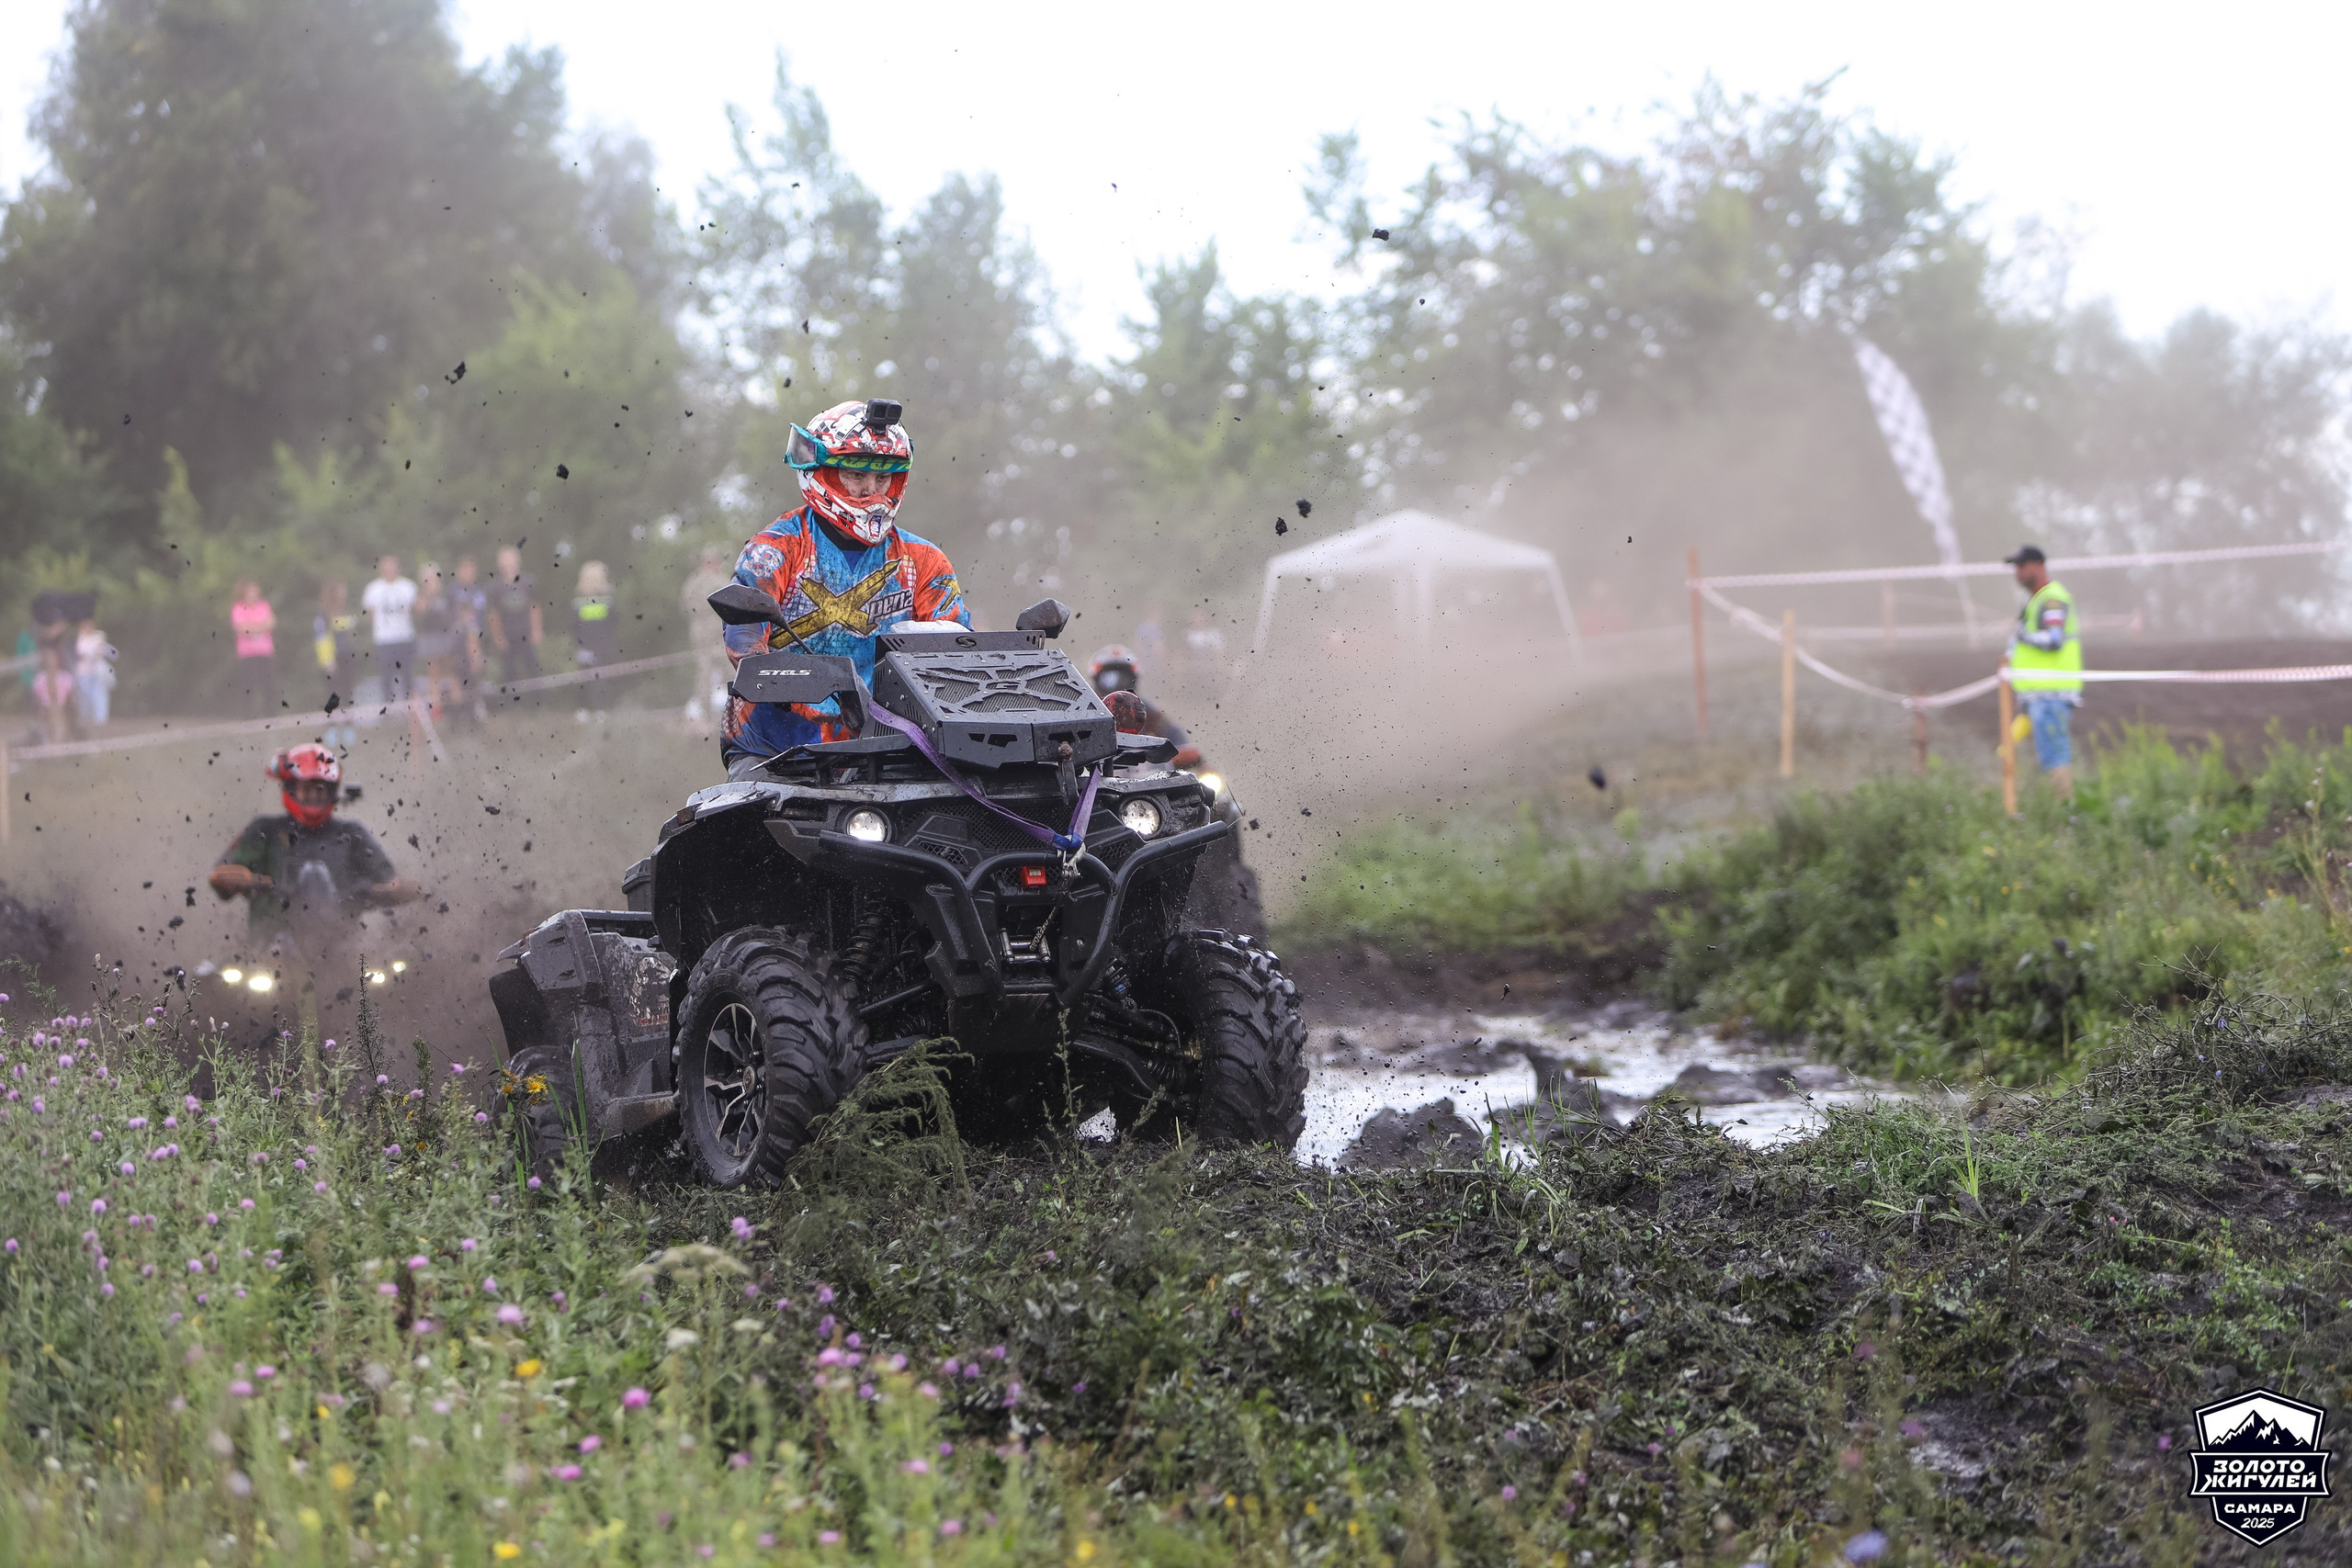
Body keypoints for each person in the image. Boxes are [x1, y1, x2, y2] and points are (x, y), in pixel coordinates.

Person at [720, 399, 968, 777]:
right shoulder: (774, 551)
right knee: (742, 827)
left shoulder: (925, 561)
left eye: (882, 479)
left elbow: (957, 653)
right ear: (822, 473)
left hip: (888, 752)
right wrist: (818, 680)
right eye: (857, 476)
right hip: (775, 750)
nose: (872, 491)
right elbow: (744, 647)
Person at [209, 744, 422, 944]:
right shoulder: (264, 829)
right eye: (307, 789)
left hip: (343, 949)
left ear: (333, 791)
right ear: (290, 788)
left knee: (399, 968)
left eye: (321, 790)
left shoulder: (351, 834)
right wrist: (232, 879)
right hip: (271, 951)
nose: (314, 796)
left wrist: (399, 889)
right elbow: (222, 875)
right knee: (213, 978)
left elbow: (390, 881)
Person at [2003, 544, 2081, 800]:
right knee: (2043, 755)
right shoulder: (2036, 600)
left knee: (2054, 754)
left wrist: (2022, 636)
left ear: (2038, 565)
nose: (2018, 572)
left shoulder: (2052, 598)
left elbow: (2054, 639)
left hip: (2051, 692)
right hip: (2038, 694)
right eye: (2016, 567)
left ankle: (2064, 810)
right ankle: (2056, 806)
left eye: (2022, 566)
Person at [1088, 644, 1199, 765]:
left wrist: (1183, 754)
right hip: (1091, 776)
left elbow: (1174, 735)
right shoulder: (1085, 711)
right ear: (1096, 680)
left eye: (1124, 678)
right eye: (1109, 679)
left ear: (1134, 680)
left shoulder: (1144, 711)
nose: (1116, 687)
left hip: (1143, 777)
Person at [679, 543, 733, 723]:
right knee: (716, 669)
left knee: (707, 670)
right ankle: (729, 708)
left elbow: (685, 606)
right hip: (715, 630)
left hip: (702, 631)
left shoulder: (692, 582)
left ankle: (710, 711)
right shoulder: (721, 580)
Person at [361, 556, 418, 703]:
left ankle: (409, 708)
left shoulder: (408, 586)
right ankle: (388, 708)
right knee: (386, 676)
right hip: (383, 639)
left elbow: (415, 609)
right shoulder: (373, 588)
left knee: (407, 675)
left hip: (405, 636)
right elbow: (370, 613)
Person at [487, 546, 544, 687]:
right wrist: (498, 636)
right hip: (507, 634)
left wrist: (537, 630)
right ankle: (511, 705)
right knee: (508, 671)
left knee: (533, 668)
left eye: (511, 559)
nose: (508, 563)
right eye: (504, 560)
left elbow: (535, 608)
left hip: (526, 632)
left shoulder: (528, 581)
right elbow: (494, 614)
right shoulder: (495, 586)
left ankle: (539, 702)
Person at [572, 559, 619, 719]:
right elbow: (574, 624)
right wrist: (579, 646)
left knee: (602, 680)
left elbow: (613, 622)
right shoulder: (578, 598)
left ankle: (601, 710)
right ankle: (583, 709)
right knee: (584, 678)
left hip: (603, 646)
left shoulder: (608, 597)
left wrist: (607, 644)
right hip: (585, 647)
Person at [413, 562, 460, 720]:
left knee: (452, 671)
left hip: (446, 636)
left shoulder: (447, 594)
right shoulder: (421, 597)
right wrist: (427, 597)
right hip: (430, 637)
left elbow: (453, 615)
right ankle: (437, 708)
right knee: (433, 674)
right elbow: (420, 613)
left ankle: (457, 705)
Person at [449, 557, 491, 724]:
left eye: (471, 570)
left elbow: (480, 617)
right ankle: (457, 714)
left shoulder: (479, 592)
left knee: (474, 674)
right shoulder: (452, 592)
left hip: (475, 638)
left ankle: (474, 712)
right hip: (456, 640)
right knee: (456, 676)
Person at [230, 580, 277, 716]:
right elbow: (240, 628)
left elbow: (271, 622)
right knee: (248, 686)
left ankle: (271, 714)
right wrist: (260, 626)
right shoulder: (238, 608)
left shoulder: (264, 605)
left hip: (265, 651)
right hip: (247, 653)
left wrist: (251, 627)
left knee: (268, 684)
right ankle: (248, 716)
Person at [72, 615, 116, 728]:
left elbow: (111, 652)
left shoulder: (98, 636)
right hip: (83, 672)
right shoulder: (79, 638)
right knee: (84, 696)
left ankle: (101, 720)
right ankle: (85, 719)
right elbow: (79, 653)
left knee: (100, 695)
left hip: (97, 672)